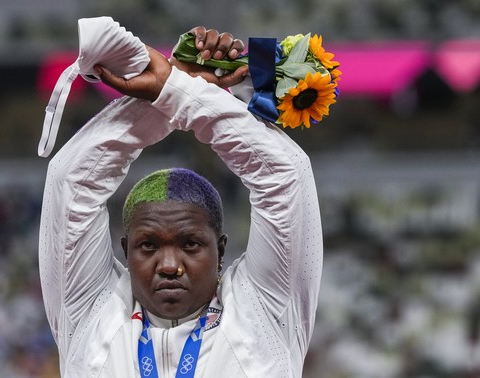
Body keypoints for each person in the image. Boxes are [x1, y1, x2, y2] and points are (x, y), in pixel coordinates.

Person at [39, 26, 323, 378]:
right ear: (126, 250)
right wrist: (177, 88)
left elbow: (285, 175)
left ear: (220, 250)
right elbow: (72, 181)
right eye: (148, 246)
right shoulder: (91, 311)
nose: (169, 264)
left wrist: (175, 90)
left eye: (190, 244)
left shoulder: (265, 308)